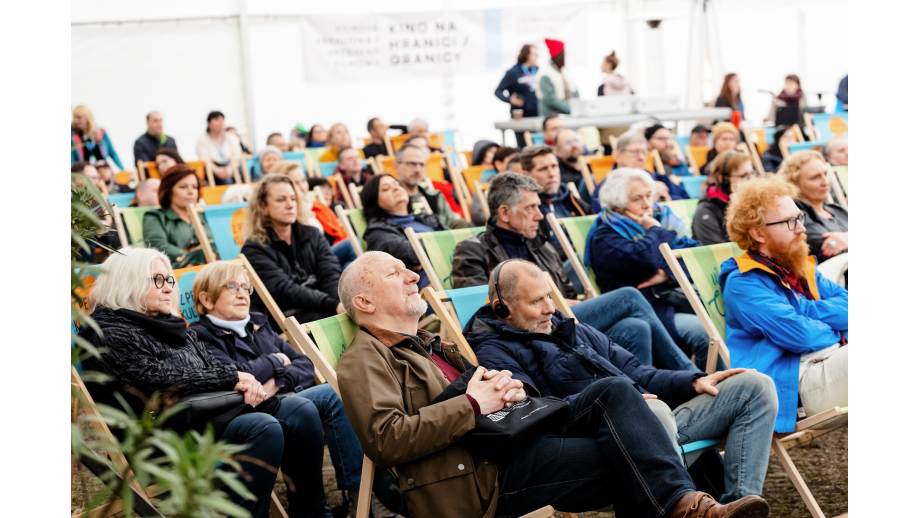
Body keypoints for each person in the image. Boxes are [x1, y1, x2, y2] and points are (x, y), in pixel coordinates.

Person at [334, 251, 771, 518]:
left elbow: (633, 370)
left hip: (506, 445)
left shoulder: (430, 345)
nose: (413, 276)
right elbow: (384, 440)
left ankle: (690, 506)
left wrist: (505, 391)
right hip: (478, 479)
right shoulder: (364, 358)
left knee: (620, 400)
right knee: (634, 452)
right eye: (395, 274)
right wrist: (471, 403)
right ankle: (691, 507)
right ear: (364, 302)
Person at [466, 259, 778, 506]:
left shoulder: (569, 328)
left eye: (549, 295)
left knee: (754, 385)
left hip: (657, 420)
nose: (551, 307)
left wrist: (694, 381)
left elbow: (638, 371)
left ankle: (738, 505)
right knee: (649, 410)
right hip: (611, 440)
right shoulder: (494, 350)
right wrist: (622, 407)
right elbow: (531, 412)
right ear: (502, 309)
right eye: (537, 301)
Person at [80, 247, 333, 518]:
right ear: (126, 282)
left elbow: (212, 368)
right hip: (162, 437)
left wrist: (237, 380)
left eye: (169, 280)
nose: (167, 288)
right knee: (263, 428)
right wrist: (232, 377)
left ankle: (314, 514)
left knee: (301, 411)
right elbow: (155, 381)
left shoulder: (174, 328)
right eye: (157, 280)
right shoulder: (108, 334)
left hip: (210, 416)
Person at [453, 173, 700, 371]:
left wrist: (564, 302)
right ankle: (689, 376)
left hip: (559, 321)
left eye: (539, 206)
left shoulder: (542, 246)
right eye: (531, 208)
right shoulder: (473, 250)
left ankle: (644, 398)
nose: (541, 215)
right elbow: (481, 313)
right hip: (524, 329)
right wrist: (552, 303)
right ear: (505, 213)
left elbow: (568, 293)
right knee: (629, 296)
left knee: (636, 327)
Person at [189, 261, 371, 517]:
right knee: (303, 407)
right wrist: (276, 360)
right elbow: (234, 376)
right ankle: (314, 510)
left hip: (282, 397)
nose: (243, 293)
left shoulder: (260, 324)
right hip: (248, 415)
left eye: (246, 287)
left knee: (333, 393)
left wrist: (274, 382)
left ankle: (360, 497)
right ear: (206, 299)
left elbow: (306, 364)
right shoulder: (201, 337)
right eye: (232, 287)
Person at [721, 176, 848, 433]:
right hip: (797, 381)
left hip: (833, 359)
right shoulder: (744, 283)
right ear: (758, 233)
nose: (801, 228)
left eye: (799, 217)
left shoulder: (797, 265)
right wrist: (836, 326)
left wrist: (805, 310)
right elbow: (800, 335)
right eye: (790, 221)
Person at [587, 168, 719, 371]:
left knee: (718, 324)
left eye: (649, 195)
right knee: (703, 333)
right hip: (647, 311)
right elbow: (645, 260)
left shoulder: (660, 222)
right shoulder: (604, 238)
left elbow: (694, 255)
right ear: (618, 204)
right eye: (637, 199)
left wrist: (666, 274)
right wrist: (654, 230)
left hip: (672, 300)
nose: (647, 204)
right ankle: (705, 387)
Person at [240, 174, 345, 331]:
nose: (290, 205)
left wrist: (339, 304)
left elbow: (330, 273)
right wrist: (331, 305)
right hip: (285, 318)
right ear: (264, 207)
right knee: (324, 322)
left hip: (321, 306)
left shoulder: (313, 235)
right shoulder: (254, 248)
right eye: (281, 200)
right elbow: (285, 291)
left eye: (293, 199)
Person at [360, 174, 447, 289]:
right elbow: (412, 254)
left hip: (448, 271)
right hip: (421, 286)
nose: (396, 188)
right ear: (374, 201)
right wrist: (444, 248)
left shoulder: (428, 218)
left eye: (397, 184)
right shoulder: (377, 231)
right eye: (386, 189)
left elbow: (458, 240)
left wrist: (430, 256)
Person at [272, 161, 354, 268]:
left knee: (349, 265)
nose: (302, 187)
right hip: (311, 261)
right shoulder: (287, 214)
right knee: (351, 243)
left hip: (328, 254)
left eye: (303, 180)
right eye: (296, 183)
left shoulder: (314, 206)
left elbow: (338, 233)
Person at [518, 145, 591, 256]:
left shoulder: (573, 200)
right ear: (526, 175)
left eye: (554, 166)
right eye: (543, 169)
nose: (552, 174)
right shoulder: (524, 211)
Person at [778, 151, 848, 264]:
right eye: (815, 177)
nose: (825, 182)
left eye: (825, 174)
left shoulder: (835, 209)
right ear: (795, 184)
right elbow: (828, 250)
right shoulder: (797, 217)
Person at [589, 133, 688, 213]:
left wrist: (668, 200)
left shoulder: (658, 178)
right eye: (635, 152)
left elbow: (687, 202)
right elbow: (605, 218)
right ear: (618, 155)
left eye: (644, 152)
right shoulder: (607, 186)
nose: (641, 157)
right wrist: (651, 202)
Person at [143, 164, 214, 268]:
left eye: (195, 187)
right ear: (168, 191)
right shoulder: (154, 216)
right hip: (178, 270)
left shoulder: (204, 214)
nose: (191, 192)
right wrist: (194, 255)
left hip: (214, 267)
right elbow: (157, 245)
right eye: (183, 187)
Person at [395, 144, 471, 229]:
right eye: (412, 164)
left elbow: (452, 223)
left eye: (421, 164)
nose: (417, 169)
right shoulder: (390, 199)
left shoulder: (435, 196)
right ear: (396, 166)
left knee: (462, 224)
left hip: (441, 240)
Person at [692, 151, 754, 245]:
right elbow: (719, 250)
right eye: (744, 176)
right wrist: (737, 210)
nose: (751, 180)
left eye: (752, 173)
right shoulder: (706, 210)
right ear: (723, 179)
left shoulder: (755, 202)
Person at [495, 44, 539, 147]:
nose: (536, 57)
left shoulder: (538, 69)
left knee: (538, 146)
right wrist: (510, 100)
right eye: (534, 54)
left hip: (537, 114)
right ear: (526, 55)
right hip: (521, 116)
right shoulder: (513, 72)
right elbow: (498, 91)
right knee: (524, 146)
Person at [598, 51, 633, 153]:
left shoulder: (603, 87)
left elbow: (599, 109)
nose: (600, 65)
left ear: (609, 65)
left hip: (608, 133)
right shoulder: (627, 85)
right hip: (625, 129)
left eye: (603, 63)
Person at [535, 38, 579, 117]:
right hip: (552, 118)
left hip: (567, 116)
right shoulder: (545, 72)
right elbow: (550, 99)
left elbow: (574, 89)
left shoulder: (563, 70)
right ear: (558, 54)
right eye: (563, 51)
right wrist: (570, 110)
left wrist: (579, 107)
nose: (566, 54)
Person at [196, 111, 241, 185]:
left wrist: (230, 169)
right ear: (209, 124)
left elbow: (237, 155)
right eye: (216, 120)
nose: (220, 122)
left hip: (232, 167)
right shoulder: (202, 140)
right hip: (213, 170)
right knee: (227, 181)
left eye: (222, 120)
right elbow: (204, 159)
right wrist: (217, 170)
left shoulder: (231, 137)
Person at [71, 105, 124, 169]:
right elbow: (72, 160)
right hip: (85, 172)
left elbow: (112, 153)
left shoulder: (101, 132)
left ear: (87, 118)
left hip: (102, 169)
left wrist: (122, 169)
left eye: (79, 118)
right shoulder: (73, 136)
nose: (76, 120)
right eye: (74, 117)